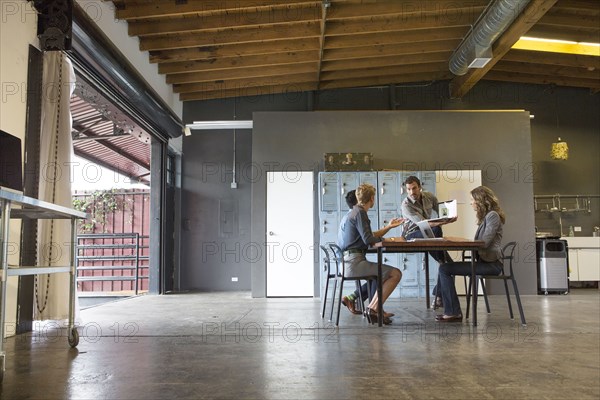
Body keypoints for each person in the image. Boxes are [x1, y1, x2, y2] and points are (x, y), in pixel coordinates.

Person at [435, 186, 506, 322]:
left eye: (473, 199)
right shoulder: (487, 217)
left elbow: (484, 242)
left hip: (492, 265)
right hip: (484, 262)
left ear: (481, 201)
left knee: (444, 268)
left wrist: (463, 242)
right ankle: (446, 304)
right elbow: (481, 242)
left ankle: (452, 311)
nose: (471, 202)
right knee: (445, 267)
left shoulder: (493, 216)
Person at [336, 183, 404, 324]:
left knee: (379, 273)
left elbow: (369, 235)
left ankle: (375, 309)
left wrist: (389, 227)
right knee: (395, 273)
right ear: (372, 198)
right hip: (354, 263)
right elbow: (369, 240)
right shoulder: (360, 213)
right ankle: (373, 309)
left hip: (347, 262)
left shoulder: (352, 213)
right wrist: (388, 240)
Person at [400, 175, 456, 308]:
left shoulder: (429, 196)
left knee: (448, 265)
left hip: (428, 232)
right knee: (437, 230)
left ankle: (438, 293)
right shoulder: (406, 205)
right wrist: (443, 222)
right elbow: (423, 224)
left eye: (414, 188)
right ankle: (441, 262)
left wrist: (449, 216)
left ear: (420, 187)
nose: (411, 192)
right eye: (408, 189)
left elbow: (441, 211)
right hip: (411, 233)